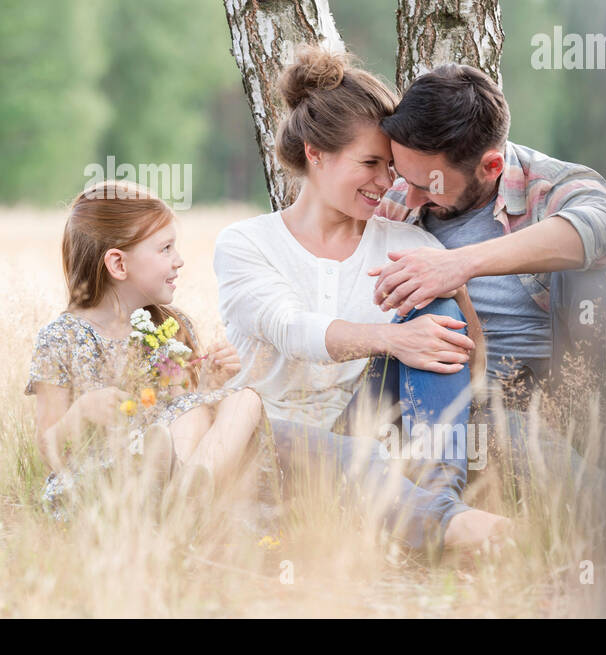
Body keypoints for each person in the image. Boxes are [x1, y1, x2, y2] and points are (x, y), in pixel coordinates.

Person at [213, 47, 511, 561]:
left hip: (372, 429)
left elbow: (470, 365)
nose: (387, 183)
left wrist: (456, 293)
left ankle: (438, 501)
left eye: (391, 167)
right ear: (316, 153)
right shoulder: (245, 244)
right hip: (272, 438)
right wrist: (393, 338)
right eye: (370, 163)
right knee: (307, 443)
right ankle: (450, 527)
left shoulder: (408, 245)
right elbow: (292, 328)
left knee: (432, 295)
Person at [371, 62, 606, 501]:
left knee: (602, 269)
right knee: (500, 425)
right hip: (478, 399)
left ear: (491, 165)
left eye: (428, 184)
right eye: (404, 176)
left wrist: (461, 264)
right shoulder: (399, 200)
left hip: (580, 382)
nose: (408, 195)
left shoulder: (548, 182)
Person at [24, 180, 281, 527]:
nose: (179, 260)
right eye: (165, 249)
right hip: (105, 483)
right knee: (187, 418)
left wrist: (207, 385)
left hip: (173, 467)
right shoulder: (60, 339)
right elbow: (47, 449)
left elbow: (186, 408)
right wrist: (80, 413)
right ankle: (178, 511)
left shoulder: (172, 329)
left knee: (246, 399)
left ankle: (184, 503)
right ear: (118, 264)